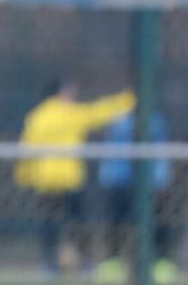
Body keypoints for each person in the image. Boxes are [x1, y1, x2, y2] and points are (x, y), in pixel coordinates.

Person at [15, 80, 135, 274]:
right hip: (70, 179)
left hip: (45, 181)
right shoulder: (70, 113)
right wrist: (126, 100)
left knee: (49, 225)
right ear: (61, 93)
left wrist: (24, 177)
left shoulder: (37, 116)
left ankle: (49, 264)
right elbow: (98, 113)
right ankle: (84, 262)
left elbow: (27, 149)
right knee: (78, 223)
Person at [97, 110, 177, 285]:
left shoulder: (155, 121)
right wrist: (108, 176)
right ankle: (113, 262)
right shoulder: (116, 120)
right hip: (120, 181)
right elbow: (110, 150)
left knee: (157, 222)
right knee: (117, 223)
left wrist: (161, 179)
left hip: (150, 183)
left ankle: (159, 263)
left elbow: (161, 150)